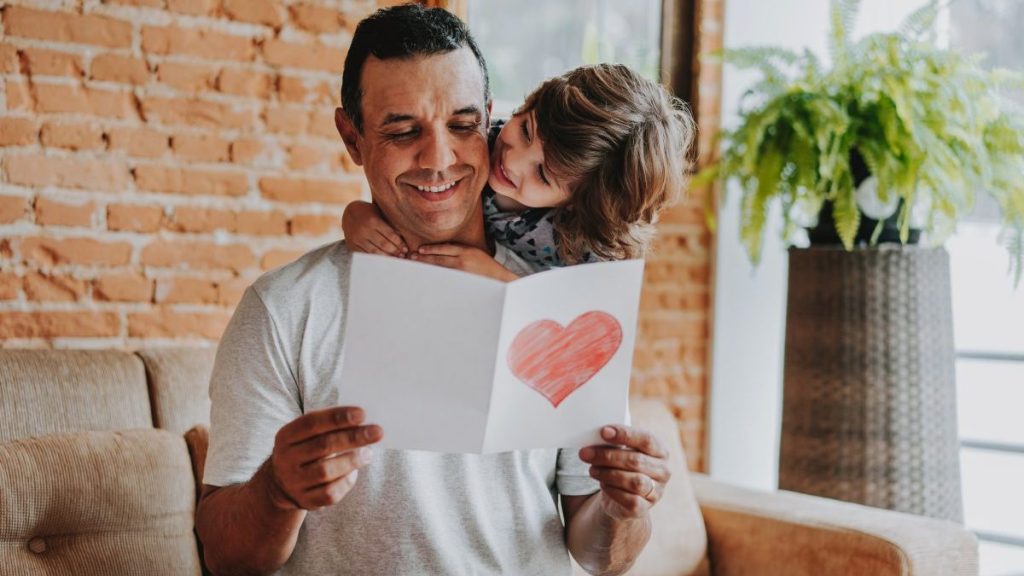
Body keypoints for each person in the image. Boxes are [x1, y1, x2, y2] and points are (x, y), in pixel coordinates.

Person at [196, 5, 673, 575]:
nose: (440, 159)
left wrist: (624, 509)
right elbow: (227, 559)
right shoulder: (282, 310)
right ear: (352, 136)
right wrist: (276, 490)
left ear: (488, 118)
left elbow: (599, 555)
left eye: (464, 125)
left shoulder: (564, 300)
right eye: (402, 132)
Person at [342, 63, 696, 281]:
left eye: (542, 174)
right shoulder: (476, 146)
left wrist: (498, 280)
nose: (511, 161)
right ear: (529, 104)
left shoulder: (588, 248)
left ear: (574, 202)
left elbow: (581, 328)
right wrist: (356, 215)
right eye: (526, 129)